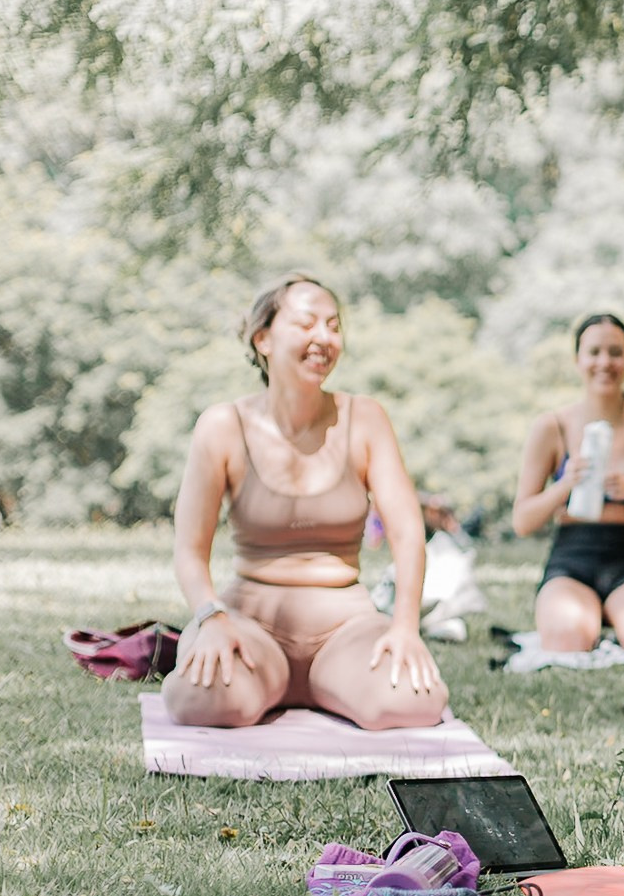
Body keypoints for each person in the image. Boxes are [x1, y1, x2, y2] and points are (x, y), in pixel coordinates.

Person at [161, 275, 448, 728]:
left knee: (415, 700)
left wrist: (405, 626)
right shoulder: (222, 426)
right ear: (264, 339)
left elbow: (408, 531)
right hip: (250, 624)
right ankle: (247, 676)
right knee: (200, 699)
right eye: (307, 323)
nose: (324, 338)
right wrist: (210, 617)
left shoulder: (365, 418)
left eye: (334, 326)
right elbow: (189, 549)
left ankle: (331, 687)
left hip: (346, 628)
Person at [512, 314, 624, 654]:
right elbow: (522, 521)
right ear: (578, 359)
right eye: (594, 352)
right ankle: (588, 617)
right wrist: (566, 485)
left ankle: (618, 616)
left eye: (615, 352)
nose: (605, 362)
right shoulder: (551, 427)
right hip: (571, 557)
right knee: (567, 640)